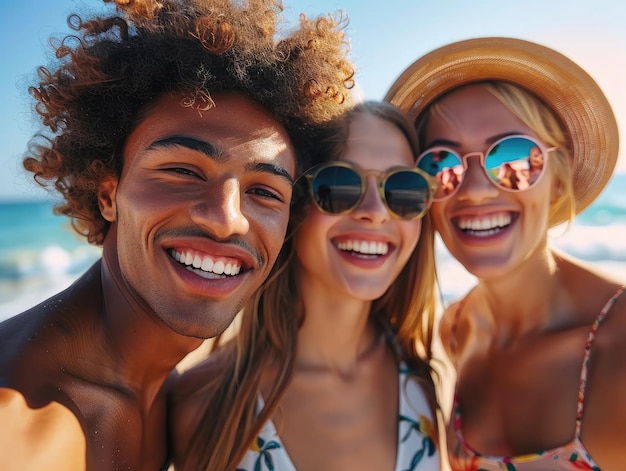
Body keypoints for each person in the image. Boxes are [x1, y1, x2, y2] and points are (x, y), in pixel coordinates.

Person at [0, 0, 355, 469]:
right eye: (183, 170)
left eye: (265, 191)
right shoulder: (20, 424)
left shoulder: (175, 399)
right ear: (108, 192)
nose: (227, 218)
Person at [385, 37, 625, 470]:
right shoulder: (455, 330)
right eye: (440, 164)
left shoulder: (619, 341)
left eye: (513, 156)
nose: (476, 190)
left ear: (558, 176)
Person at [169, 101, 441, 471]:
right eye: (341, 185)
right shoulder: (203, 400)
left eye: (403, 188)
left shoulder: (429, 381)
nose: (376, 211)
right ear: (292, 205)